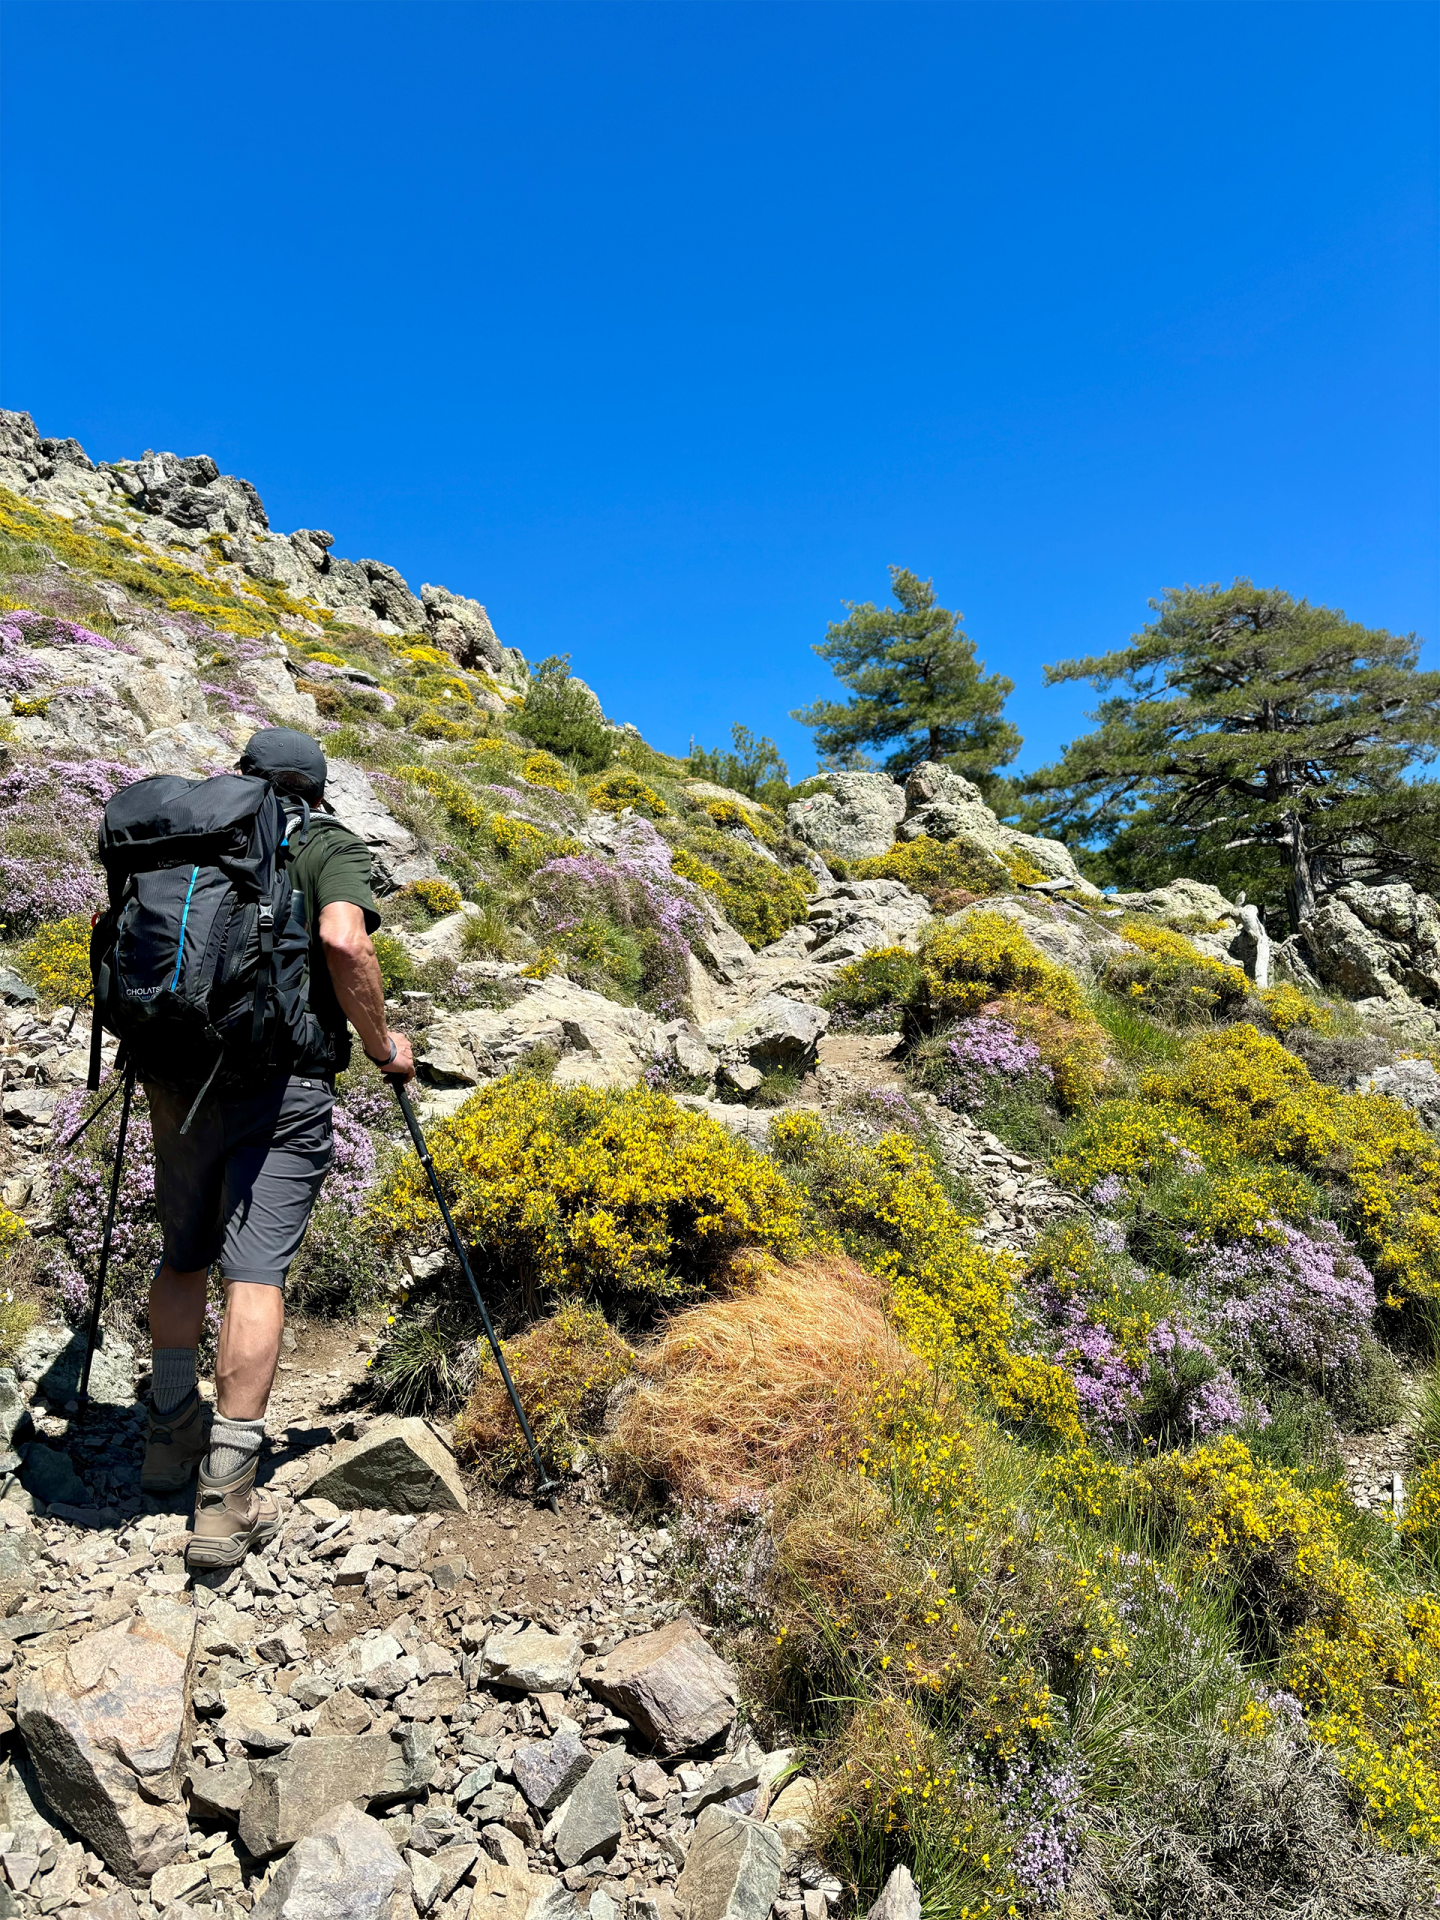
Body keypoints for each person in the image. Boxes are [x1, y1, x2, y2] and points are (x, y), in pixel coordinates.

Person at [140, 727, 414, 1569]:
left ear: (247, 776)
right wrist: (382, 1045)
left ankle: (165, 1438)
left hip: (177, 1073)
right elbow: (343, 940)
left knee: (183, 1257)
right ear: (316, 788)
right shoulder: (323, 840)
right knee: (254, 1273)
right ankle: (224, 1500)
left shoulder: (190, 832)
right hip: (280, 1082)